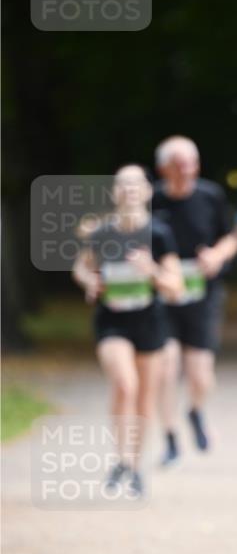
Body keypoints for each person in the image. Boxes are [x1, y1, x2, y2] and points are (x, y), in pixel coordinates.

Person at [72, 165, 182, 496]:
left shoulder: (159, 234)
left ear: (147, 191)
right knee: (125, 384)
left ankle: (133, 466)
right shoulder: (101, 233)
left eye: (136, 183)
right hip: (112, 321)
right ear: (114, 192)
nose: (129, 188)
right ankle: (120, 457)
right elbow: (81, 267)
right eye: (122, 184)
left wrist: (152, 271)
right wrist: (89, 282)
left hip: (149, 321)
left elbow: (175, 287)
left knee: (145, 396)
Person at [152, 136, 237, 464]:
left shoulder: (210, 195)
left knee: (201, 375)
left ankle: (195, 410)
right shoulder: (151, 200)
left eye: (192, 163)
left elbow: (231, 237)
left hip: (203, 292)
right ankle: (170, 436)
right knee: (166, 367)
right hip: (161, 295)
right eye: (179, 164)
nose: (187, 170)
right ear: (163, 168)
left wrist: (217, 255)